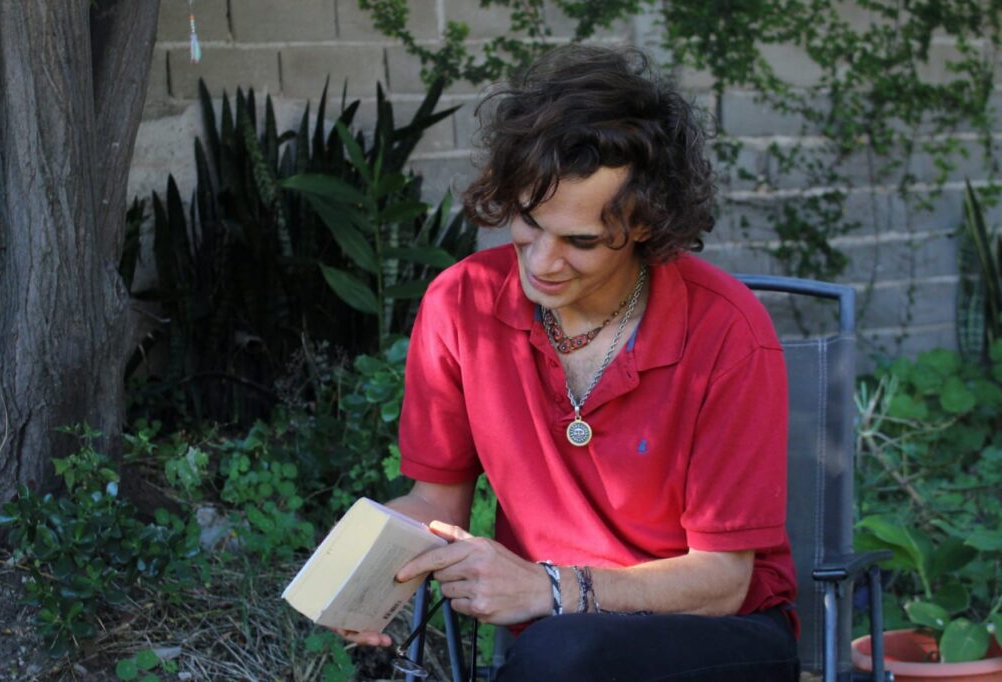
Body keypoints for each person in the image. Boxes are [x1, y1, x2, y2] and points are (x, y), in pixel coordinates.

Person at [337, 44, 799, 680]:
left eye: (581, 240)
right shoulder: (462, 303)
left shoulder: (727, 331)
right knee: (560, 652)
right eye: (529, 222)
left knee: (562, 655)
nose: (542, 262)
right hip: (557, 639)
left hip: (717, 633)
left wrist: (551, 589)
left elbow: (722, 581)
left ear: (645, 224)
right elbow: (434, 503)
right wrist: (360, 572)